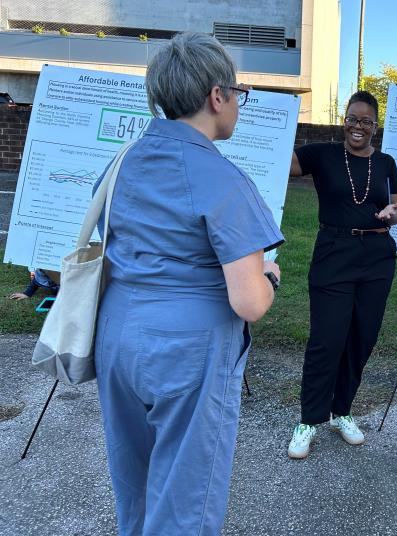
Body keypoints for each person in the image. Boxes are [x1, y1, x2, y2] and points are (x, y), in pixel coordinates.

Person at [93, 32, 283, 535]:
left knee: (133, 484)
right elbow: (249, 303)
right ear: (216, 96)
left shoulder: (122, 162)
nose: (239, 104)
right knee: (185, 501)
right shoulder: (223, 179)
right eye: (239, 93)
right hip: (188, 351)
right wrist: (270, 277)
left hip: (116, 333)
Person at [287, 90, 397, 459]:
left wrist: (392, 214)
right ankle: (309, 419)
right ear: (344, 120)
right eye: (352, 119)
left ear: (375, 127)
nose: (358, 126)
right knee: (327, 338)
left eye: (366, 121)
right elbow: (281, 162)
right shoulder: (321, 153)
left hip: (377, 256)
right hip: (334, 253)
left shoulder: (386, 162)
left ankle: (341, 411)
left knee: (361, 337)